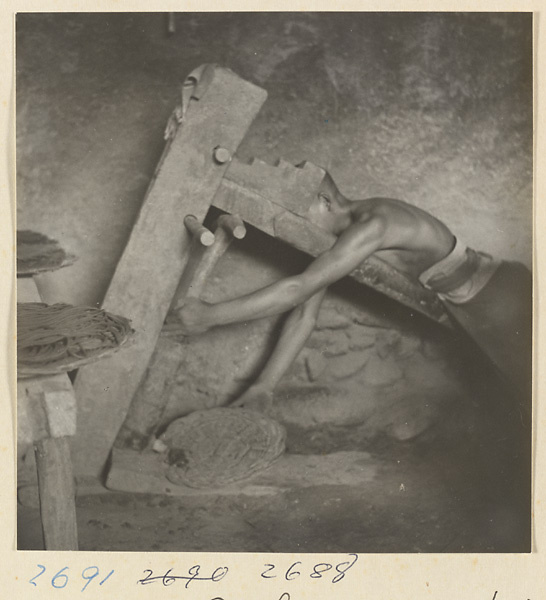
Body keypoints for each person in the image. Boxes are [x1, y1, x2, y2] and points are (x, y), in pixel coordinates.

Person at [176, 169, 532, 415]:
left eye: (300, 213)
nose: (297, 225)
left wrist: (211, 315)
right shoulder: (346, 237)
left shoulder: (373, 225)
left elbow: (298, 289)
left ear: (324, 201)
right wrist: (264, 385)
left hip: (502, 295)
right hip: (480, 299)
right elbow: (305, 311)